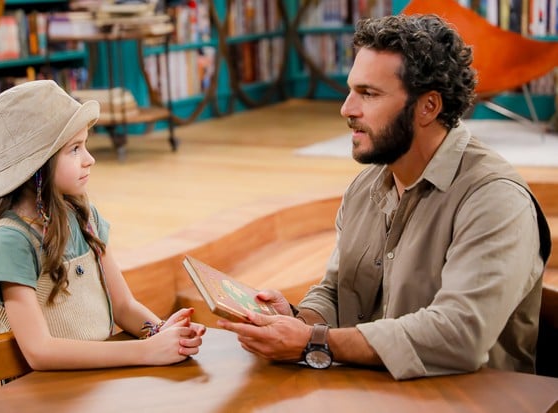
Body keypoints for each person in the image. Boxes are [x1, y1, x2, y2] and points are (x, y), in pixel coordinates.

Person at [218, 14, 552, 380]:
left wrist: (313, 341)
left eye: (369, 94)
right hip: (378, 391)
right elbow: (336, 290)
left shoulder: (495, 199)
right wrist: (296, 320)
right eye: (351, 90)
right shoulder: (366, 187)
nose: (347, 109)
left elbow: (460, 335)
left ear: (428, 106)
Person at [0, 80, 205, 370]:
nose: (89, 159)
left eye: (85, 145)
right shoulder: (10, 240)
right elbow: (40, 352)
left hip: (97, 381)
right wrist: (145, 351)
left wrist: (162, 332)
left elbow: (123, 306)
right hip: (44, 395)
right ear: (37, 165)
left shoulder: (83, 215)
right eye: (75, 149)